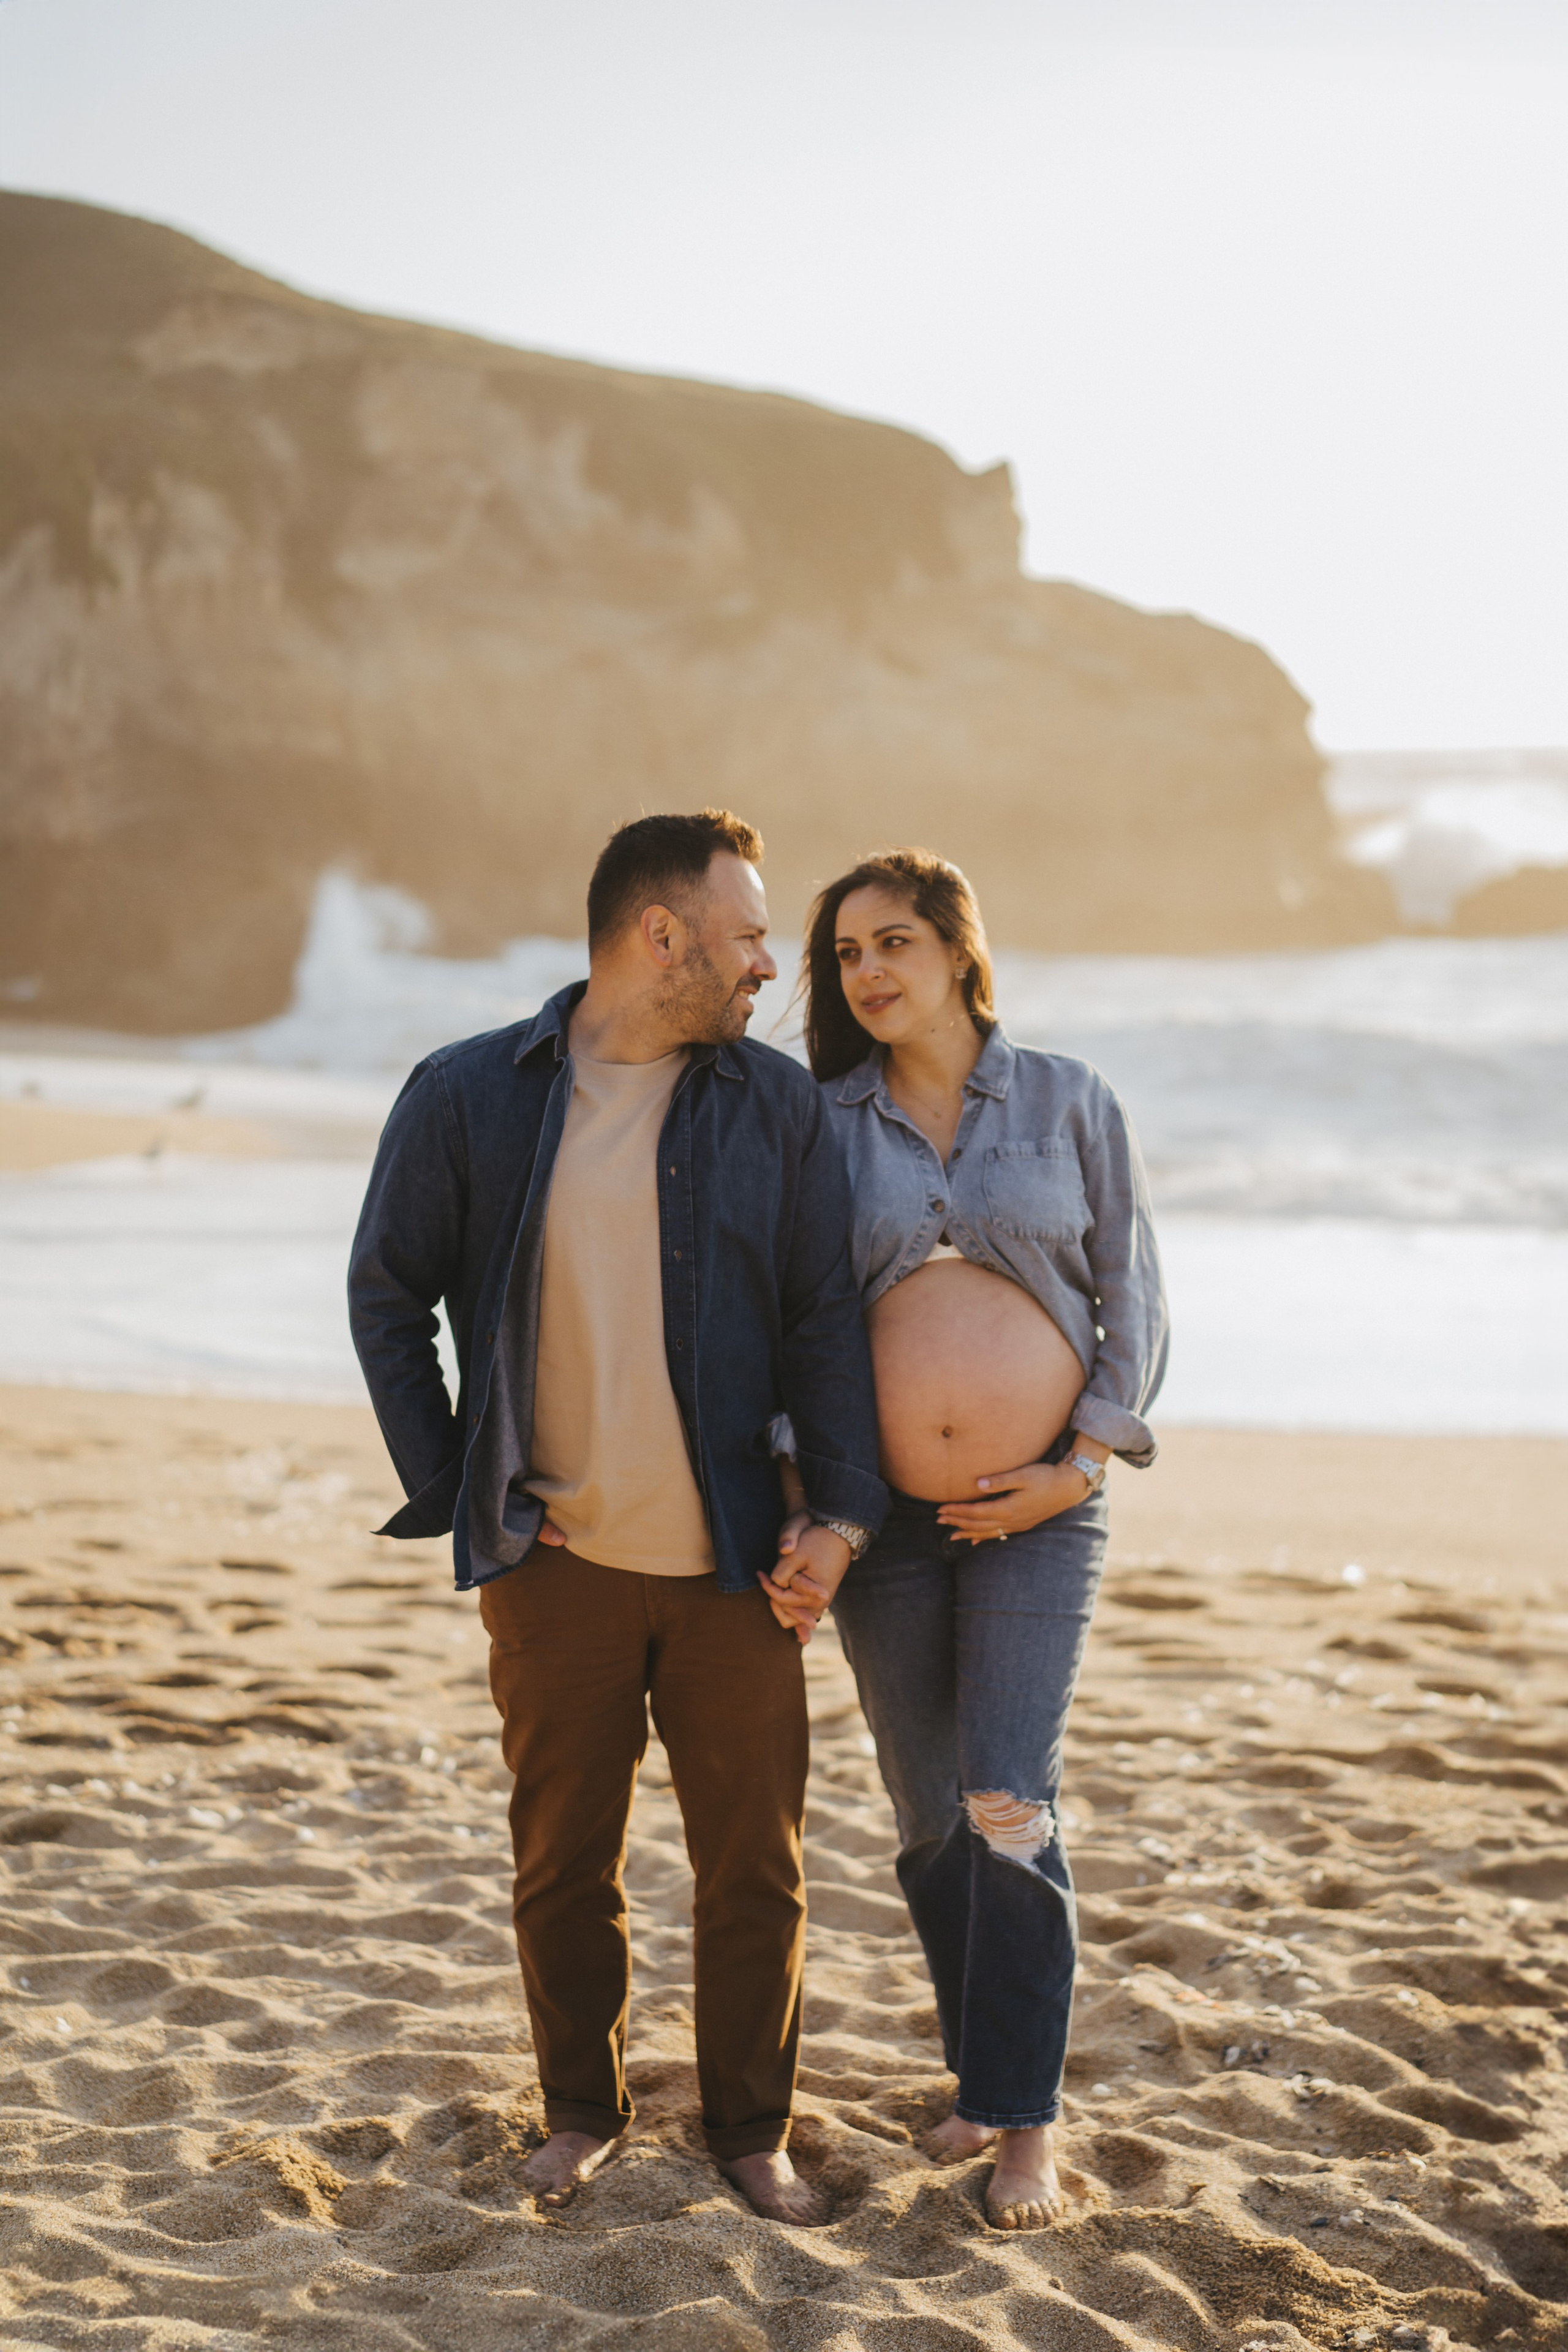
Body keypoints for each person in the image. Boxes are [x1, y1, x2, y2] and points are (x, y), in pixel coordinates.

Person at [349, 810, 886, 2224]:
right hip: (555, 1567)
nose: (772, 963)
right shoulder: (469, 1093)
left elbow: (827, 1321)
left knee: (753, 1871)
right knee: (563, 1859)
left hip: (733, 1569)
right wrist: (463, 1485)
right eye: (751, 932)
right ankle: (578, 2110)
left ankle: (748, 2130)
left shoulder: (771, 1109)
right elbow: (387, 1292)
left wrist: (836, 1517)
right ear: (664, 936)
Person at [761, 849, 1167, 2233]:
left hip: (1037, 1520)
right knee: (930, 1815)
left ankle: (1024, 2128)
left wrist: (1076, 1466)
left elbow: (1134, 1297)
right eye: (846, 957)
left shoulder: (1067, 1101)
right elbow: (790, 1331)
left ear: (955, 949)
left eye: (893, 944)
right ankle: (983, 2074)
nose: (869, 974)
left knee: (1007, 1796)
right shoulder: (818, 1125)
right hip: (882, 1525)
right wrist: (812, 1502)